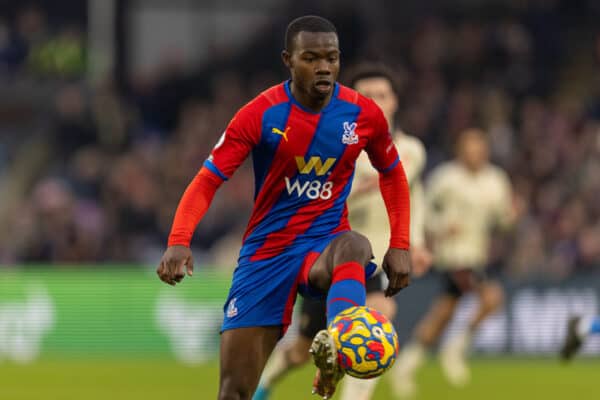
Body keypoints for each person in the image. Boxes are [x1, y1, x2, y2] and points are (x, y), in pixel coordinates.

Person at [156, 16, 412, 400]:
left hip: (323, 244)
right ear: (288, 60)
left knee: (356, 245)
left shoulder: (363, 115)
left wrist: (401, 244)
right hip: (267, 256)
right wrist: (179, 240)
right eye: (311, 57)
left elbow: (392, 174)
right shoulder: (260, 113)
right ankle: (332, 344)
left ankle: (341, 342)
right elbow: (208, 179)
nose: (324, 66)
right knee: (234, 392)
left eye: (332, 57)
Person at [253, 63, 432, 400]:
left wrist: (415, 242)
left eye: (383, 95)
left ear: (395, 101)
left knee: (375, 326)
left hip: (377, 259)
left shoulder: (413, 151)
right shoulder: (334, 146)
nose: (377, 101)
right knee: (302, 350)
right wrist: (354, 190)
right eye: (368, 95)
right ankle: (262, 386)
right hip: (335, 254)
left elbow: (414, 194)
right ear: (352, 100)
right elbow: (305, 195)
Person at [392, 128, 518, 398]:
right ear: (460, 151)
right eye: (469, 149)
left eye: (479, 149)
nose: (474, 155)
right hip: (454, 256)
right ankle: (455, 349)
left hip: (477, 254)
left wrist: (511, 216)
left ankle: (406, 366)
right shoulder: (445, 179)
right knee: (492, 298)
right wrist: (439, 227)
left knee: (442, 315)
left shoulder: (496, 180)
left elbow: (503, 220)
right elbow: (420, 207)